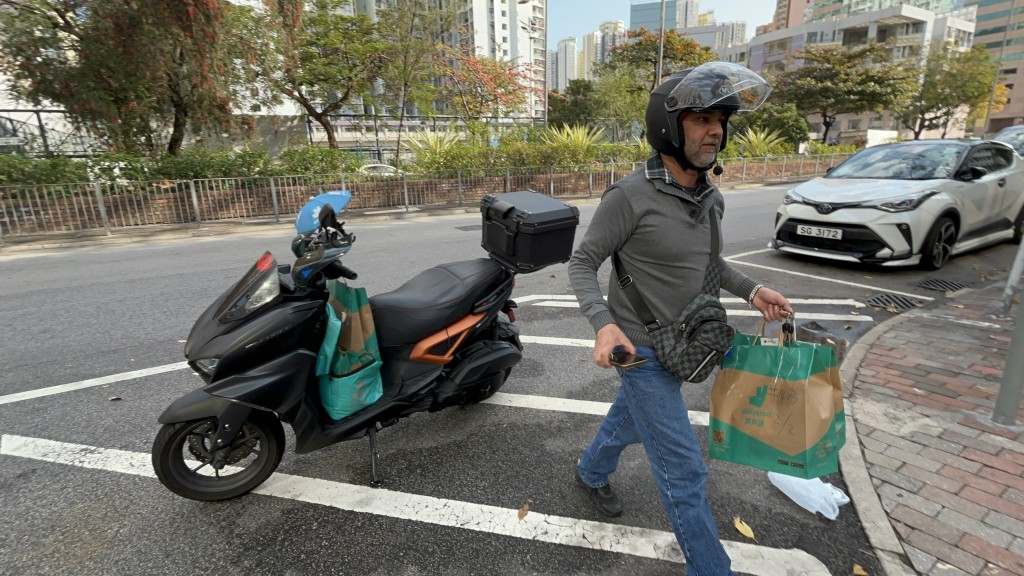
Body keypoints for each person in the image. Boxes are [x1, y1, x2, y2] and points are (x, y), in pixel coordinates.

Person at [567, 62, 794, 575]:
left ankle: (590, 471)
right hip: (642, 352)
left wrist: (754, 290)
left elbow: (709, 263)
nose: (715, 129)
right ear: (669, 126)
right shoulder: (629, 197)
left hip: (689, 342)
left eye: (721, 119)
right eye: (701, 118)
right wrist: (603, 323)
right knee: (684, 471)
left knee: (627, 421)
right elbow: (582, 262)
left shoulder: (708, 196)